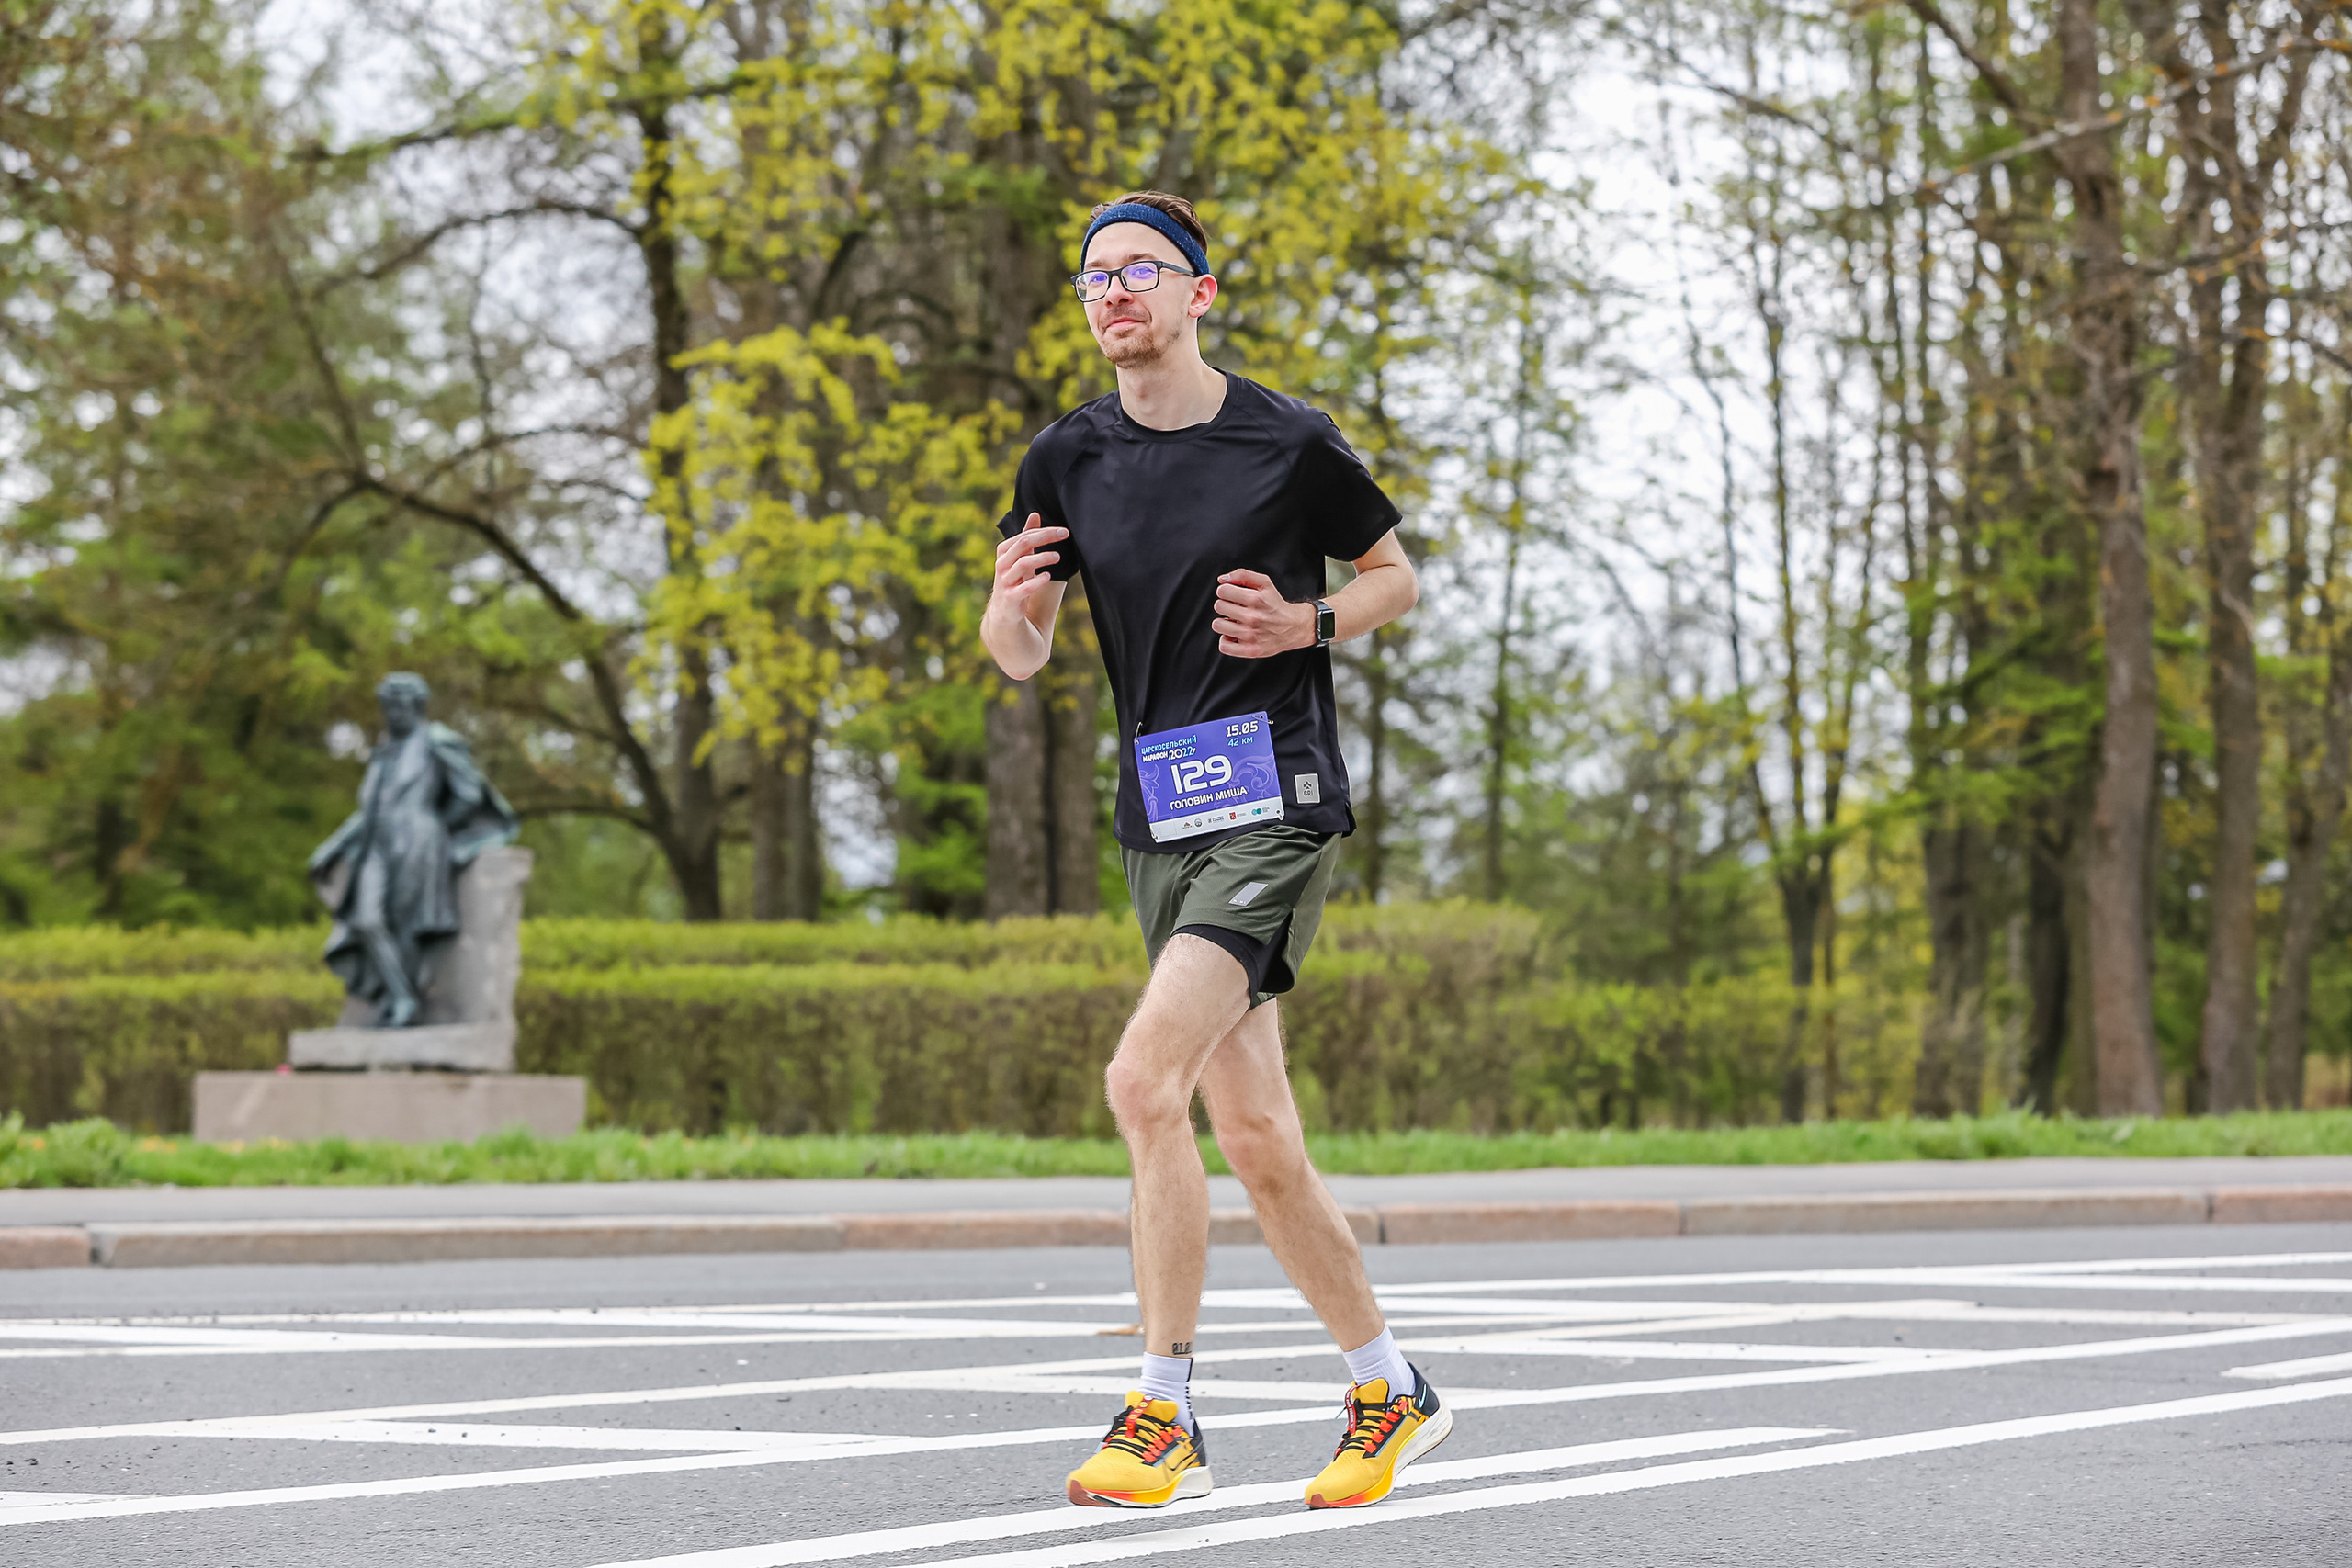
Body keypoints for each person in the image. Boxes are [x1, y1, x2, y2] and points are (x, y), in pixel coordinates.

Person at [979, 192, 1444, 1513]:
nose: (1114, 292)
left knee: (1141, 1077)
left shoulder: (1288, 441)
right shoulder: (1063, 458)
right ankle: (1388, 1383)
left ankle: (1163, 1405)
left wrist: (1311, 623)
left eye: (1142, 270)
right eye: (1093, 278)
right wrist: (1010, 615)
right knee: (1253, 1130)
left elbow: (1393, 573)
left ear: (1201, 292)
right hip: (1160, 819)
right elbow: (1021, 649)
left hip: (1276, 798)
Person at [308, 673, 520, 1026]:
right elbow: (369, 810)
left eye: (400, 705)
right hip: (376, 843)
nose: (393, 713)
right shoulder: (384, 751)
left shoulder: (437, 741)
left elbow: (469, 793)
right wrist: (332, 847)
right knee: (367, 919)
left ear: (417, 706)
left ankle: (406, 1004)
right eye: (387, 706)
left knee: (408, 923)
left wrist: (432, 824)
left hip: (418, 840)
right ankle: (401, 994)